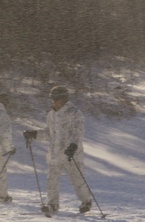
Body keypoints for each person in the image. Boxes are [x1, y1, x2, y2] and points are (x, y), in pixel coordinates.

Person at [23, 86, 94, 214]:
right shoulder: (51, 114)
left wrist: (73, 146)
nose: (55, 101)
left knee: (77, 180)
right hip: (54, 154)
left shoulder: (74, 113)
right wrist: (34, 134)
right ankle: (52, 205)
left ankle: (86, 202)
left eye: (57, 98)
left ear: (65, 98)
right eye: (53, 99)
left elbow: (78, 132)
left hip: (70, 154)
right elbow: (49, 133)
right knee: (52, 181)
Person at [0, 93, 13, 203]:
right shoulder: (2, 114)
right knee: (1, 172)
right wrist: (9, 148)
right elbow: (5, 134)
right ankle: (2, 196)